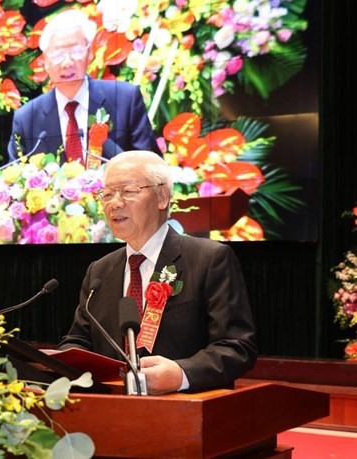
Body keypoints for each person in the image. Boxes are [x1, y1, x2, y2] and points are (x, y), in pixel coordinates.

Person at [58, 150, 257, 394]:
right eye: (107, 194)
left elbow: (237, 347)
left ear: (162, 197)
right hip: (111, 409)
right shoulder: (100, 270)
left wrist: (181, 374)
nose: (114, 203)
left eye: (128, 191)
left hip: (185, 409)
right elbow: (79, 341)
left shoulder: (209, 258)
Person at [7, 8, 158, 165]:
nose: (67, 62)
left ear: (90, 53)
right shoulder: (26, 119)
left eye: (76, 51)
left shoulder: (125, 100)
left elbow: (153, 173)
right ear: (45, 62)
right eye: (58, 54)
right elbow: (15, 182)